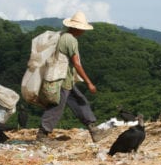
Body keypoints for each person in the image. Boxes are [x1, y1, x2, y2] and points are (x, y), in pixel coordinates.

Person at [36, 11, 109, 143]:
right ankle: (42, 135)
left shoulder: (62, 35)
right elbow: (76, 63)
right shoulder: (70, 40)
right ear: (77, 28)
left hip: (65, 79)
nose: (83, 32)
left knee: (80, 101)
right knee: (56, 107)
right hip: (61, 80)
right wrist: (89, 83)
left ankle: (93, 130)